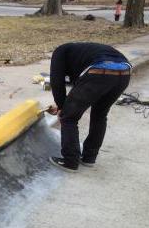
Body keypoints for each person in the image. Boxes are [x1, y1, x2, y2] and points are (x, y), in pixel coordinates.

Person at [47, 42, 131, 172]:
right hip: (124, 72)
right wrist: (66, 104)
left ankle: (70, 161)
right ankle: (89, 157)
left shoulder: (59, 52)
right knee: (100, 115)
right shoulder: (82, 52)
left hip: (99, 70)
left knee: (69, 118)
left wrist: (62, 107)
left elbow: (56, 80)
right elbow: (80, 85)